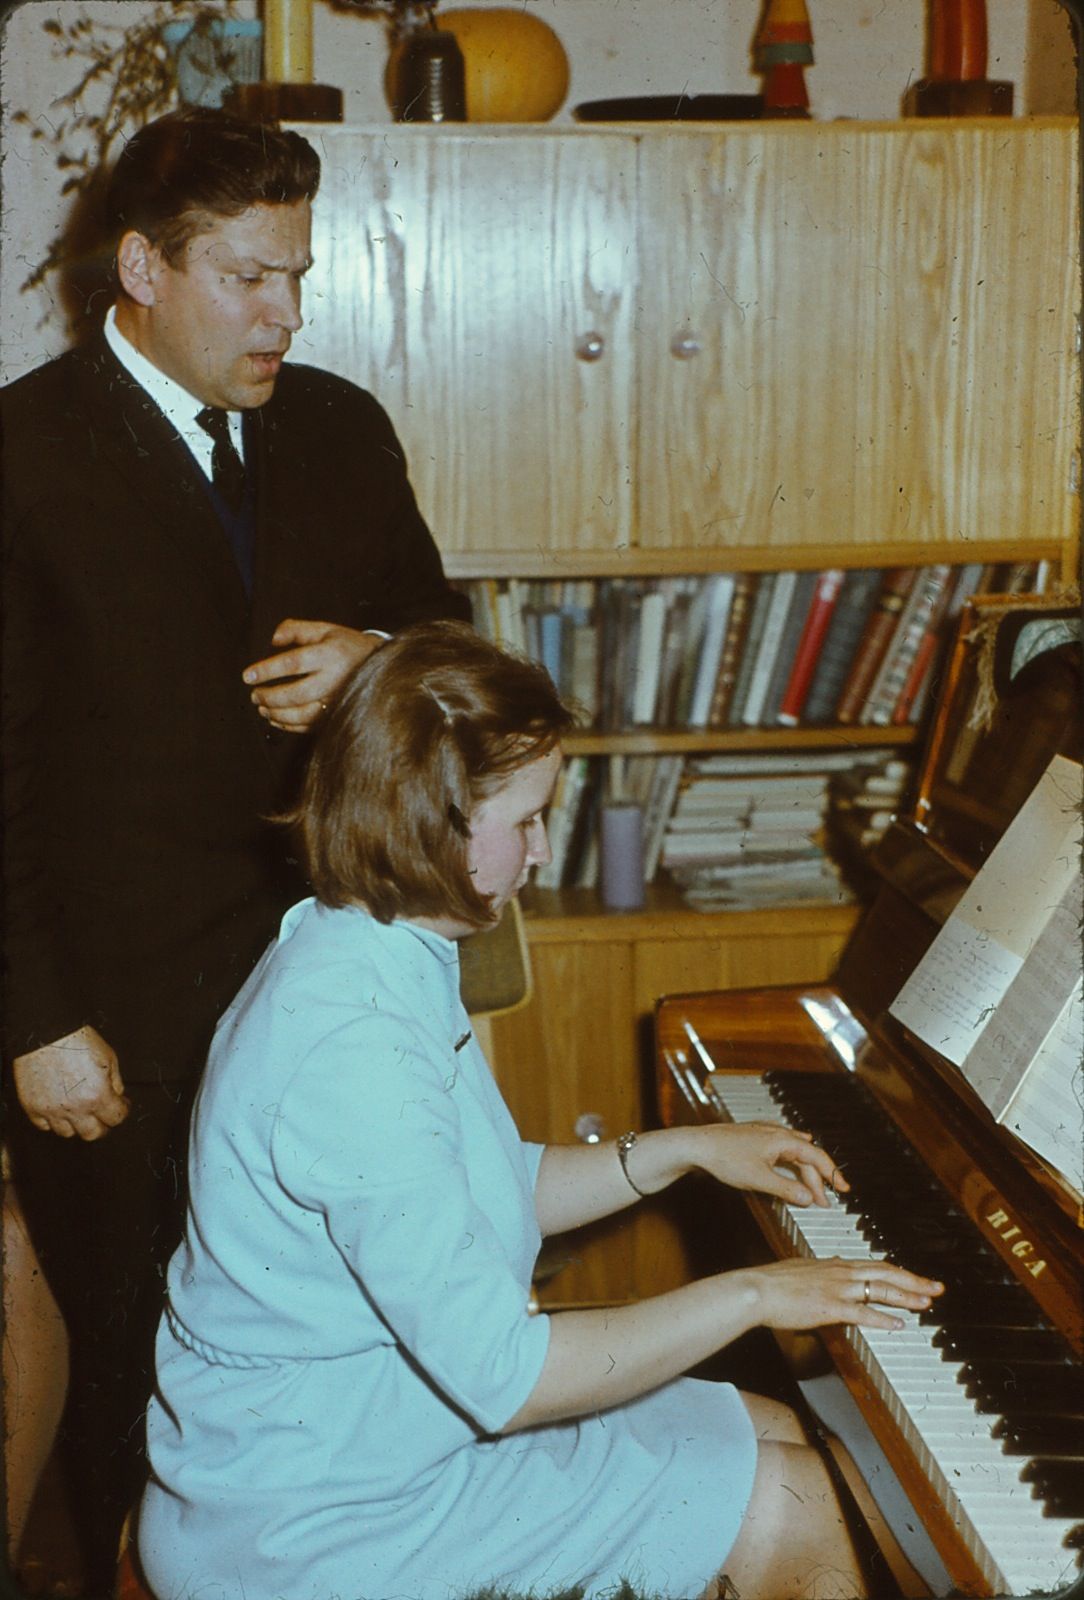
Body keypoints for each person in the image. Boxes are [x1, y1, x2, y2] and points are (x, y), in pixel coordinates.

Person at [137, 621, 942, 1600]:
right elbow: (509, 1377)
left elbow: (489, 1185)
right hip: (307, 1520)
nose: (545, 849)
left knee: (779, 1435)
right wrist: (758, 1294)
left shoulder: (379, 941)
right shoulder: (351, 1046)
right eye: (526, 820)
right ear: (428, 821)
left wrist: (685, 1149)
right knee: (799, 1505)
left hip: (376, 1428)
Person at [1, 107, 469, 1587]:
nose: (287, 315)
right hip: (118, 1028)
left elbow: (452, 642)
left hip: (334, 999)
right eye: (249, 278)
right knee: (146, 1396)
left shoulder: (339, 425)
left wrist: (379, 661)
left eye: (299, 276)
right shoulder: (19, 454)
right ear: (143, 268)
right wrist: (34, 1020)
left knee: (332, 1372)